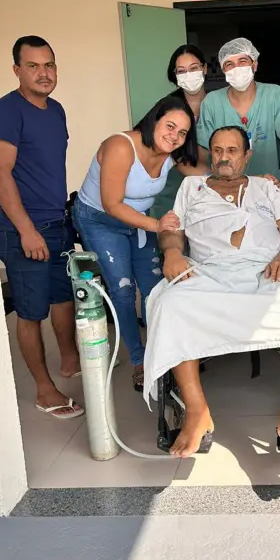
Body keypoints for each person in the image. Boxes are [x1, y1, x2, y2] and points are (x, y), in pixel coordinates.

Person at [143, 126, 280, 467]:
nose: (224, 157)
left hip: (265, 268)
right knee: (171, 303)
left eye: (232, 151)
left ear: (247, 155)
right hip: (210, 271)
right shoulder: (192, 187)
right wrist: (172, 253)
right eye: (217, 150)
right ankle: (197, 412)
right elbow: (173, 230)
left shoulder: (267, 188)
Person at [72, 94, 198, 392]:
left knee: (154, 286)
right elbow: (112, 204)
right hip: (100, 220)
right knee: (123, 290)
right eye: (169, 126)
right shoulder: (121, 146)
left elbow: (205, 175)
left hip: (139, 221)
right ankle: (140, 361)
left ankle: (162, 352)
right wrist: (157, 225)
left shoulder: (173, 152)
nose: (175, 136)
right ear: (154, 120)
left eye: (182, 132)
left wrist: (254, 179)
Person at [0, 35, 83, 419]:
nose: (43, 73)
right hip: (23, 228)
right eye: (33, 66)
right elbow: (0, 172)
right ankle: (44, 390)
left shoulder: (56, 110)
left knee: (63, 296)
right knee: (30, 311)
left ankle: (70, 360)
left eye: (49, 65)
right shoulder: (7, 111)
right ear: (17, 70)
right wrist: (26, 230)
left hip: (58, 222)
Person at [196, 37, 280, 192]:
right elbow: (204, 150)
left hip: (270, 184)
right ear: (224, 70)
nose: (237, 68)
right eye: (229, 64)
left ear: (254, 65)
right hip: (227, 187)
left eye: (243, 61)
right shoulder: (212, 102)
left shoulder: (274, 95)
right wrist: (211, 178)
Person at [151, 44, 209, 220]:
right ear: (175, 75)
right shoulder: (167, 107)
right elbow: (176, 157)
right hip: (173, 193)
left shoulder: (218, 104)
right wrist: (216, 179)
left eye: (194, 68)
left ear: (205, 69)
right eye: (181, 71)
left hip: (212, 195)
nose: (188, 75)